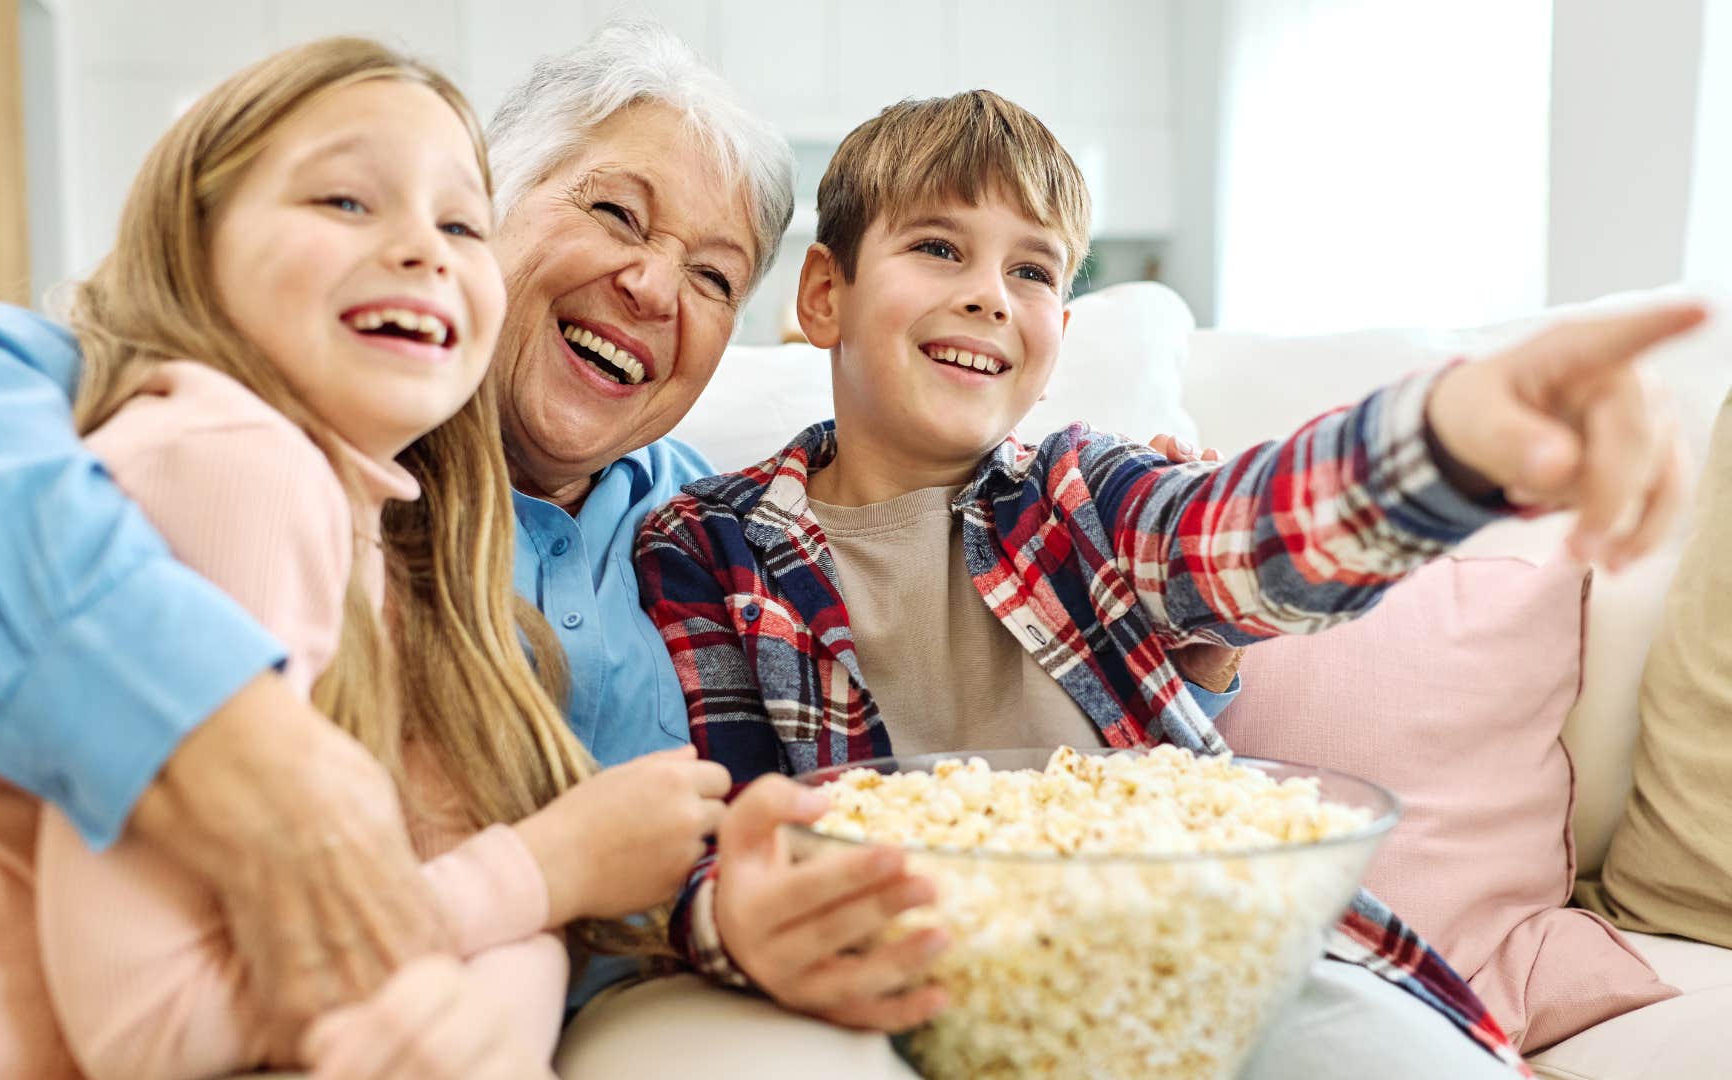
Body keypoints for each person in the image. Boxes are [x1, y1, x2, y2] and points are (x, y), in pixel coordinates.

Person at [630, 90, 1701, 1076]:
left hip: (1210, 951)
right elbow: (709, 821)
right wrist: (734, 917)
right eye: (940, 247)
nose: (989, 297)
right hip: (902, 981)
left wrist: (1453, 440)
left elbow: (1243, 537)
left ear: (1060, 332)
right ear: (825, 294)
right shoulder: (707, 547)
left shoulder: (1078, 494)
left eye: (1034, 271)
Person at [0, 37, 730, 1077]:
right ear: (194, 242)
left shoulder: (449, 528)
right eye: (345, 201)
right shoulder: (234, 460)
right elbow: (161, 1024)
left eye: (453, 222)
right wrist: (540, 879)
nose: (422, 248)